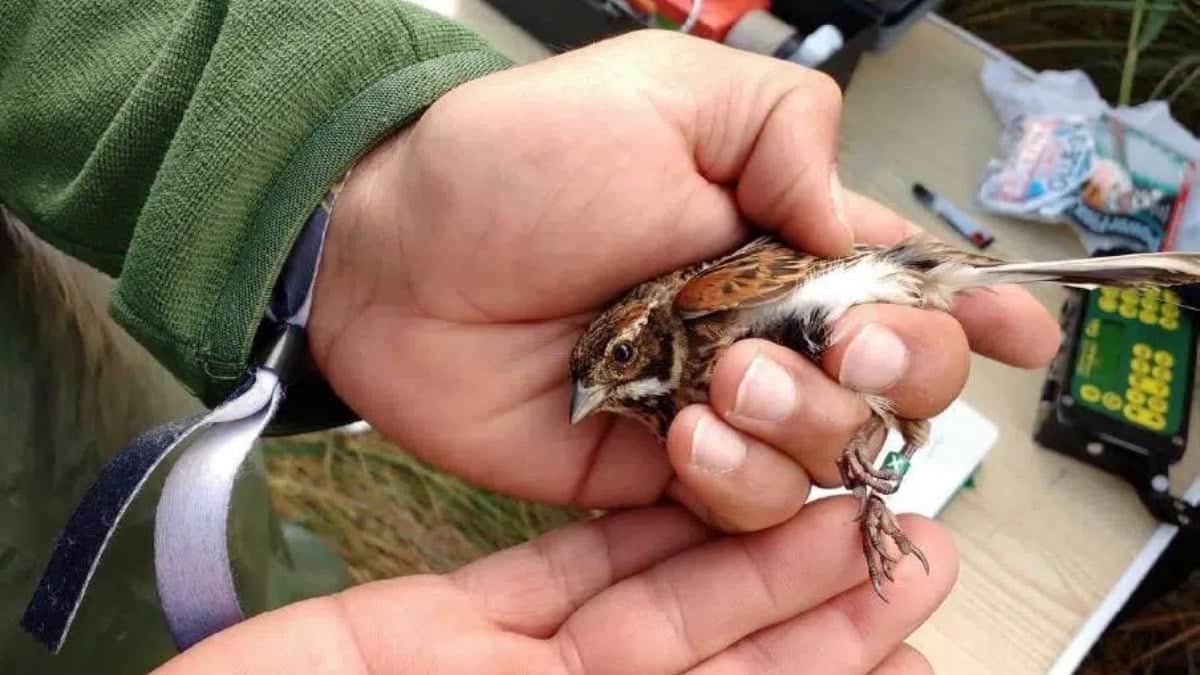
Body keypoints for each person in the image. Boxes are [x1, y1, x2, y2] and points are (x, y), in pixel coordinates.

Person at [0, 2, 1062, 673]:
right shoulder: (681, 372)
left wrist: (367, 196)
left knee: (165, 572)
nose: (593, 399)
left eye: (606, 374)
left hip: (55, 455)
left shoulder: (694, 316)